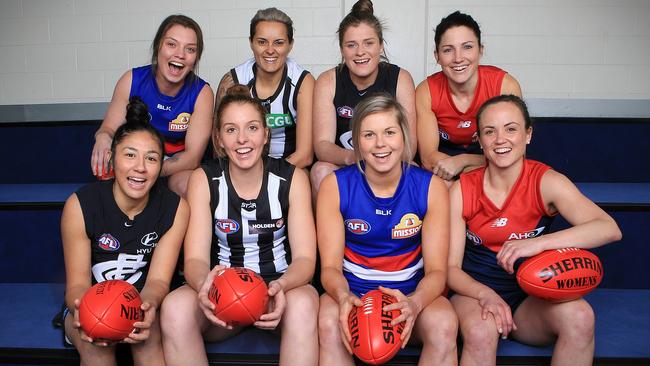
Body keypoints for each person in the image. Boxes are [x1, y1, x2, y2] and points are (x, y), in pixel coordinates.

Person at [447, 95, 622, 365]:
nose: (500, 139)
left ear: (528, 134)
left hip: (529, 299)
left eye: (511, 128)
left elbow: (608, 228)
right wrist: (486, 295)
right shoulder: (462, 189)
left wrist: (538, 244)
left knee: (580, 317)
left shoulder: (546, 182)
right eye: (489, 132)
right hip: (474, 295)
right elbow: (450, 270)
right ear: (480, 141)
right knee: (482, 331)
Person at [160, 85, 318, 366]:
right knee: (174, 309)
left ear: (266, 134)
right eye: (231, 130)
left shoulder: (292, 179)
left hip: (277, 289)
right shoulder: (204, 179)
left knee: (304, 306)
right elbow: (195, 258)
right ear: (219, 139)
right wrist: (204, 285)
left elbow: (306, 259)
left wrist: (280, 286)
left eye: (252, 128)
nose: (242, 139)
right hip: (222, 292)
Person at [317, 94, 458, 365]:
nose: (380, 144)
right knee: (327, 321)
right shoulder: (335, 186)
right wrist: (344, 296)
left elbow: (438, 272)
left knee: (444, 323)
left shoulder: (431, 188)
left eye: (389, 132)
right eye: (369, 134)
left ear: (404, 137)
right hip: (354, 289)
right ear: (356, 141)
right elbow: (330, 269)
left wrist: (415, 303)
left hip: (411, 290)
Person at [62, 97, 189, 366]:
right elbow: (77, 283)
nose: (140, 167)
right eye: (130, 155)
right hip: (89, 302)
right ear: (112, 158)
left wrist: (144, 309)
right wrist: (86, 313)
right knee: (98, 349)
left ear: (160, 165)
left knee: (148, 338)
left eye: (151, 158)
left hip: (140, 301)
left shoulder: (174, 208)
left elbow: (158, 282)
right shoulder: (81, 204)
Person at [92, 14, 214, 197]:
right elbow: (108, 128)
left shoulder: (202, 93)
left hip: (175, 166)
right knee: (105, 167)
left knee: (189, 185)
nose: (180, 54)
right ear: (158, 46)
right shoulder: (131, 80)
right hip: (138, 158)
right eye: (171, 44)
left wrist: (152, 170)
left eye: (190, 49)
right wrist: (102, 137)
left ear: (196, 58)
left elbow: (192, 157)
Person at [311, 0, 417, 201]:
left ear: (381, 46)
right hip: (348, 162)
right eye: (351, 45)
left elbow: (410, 145)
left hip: (390, 160)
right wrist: (352, 157)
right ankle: (328, 231)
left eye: (369, 43)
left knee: (415, 171)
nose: (360, 52)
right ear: (342, 49)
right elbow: (322, 145)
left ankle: (402, 228)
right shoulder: (328, 81)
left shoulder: (400, 78)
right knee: (320, 171)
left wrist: (378, 161)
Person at [416, 11, 522, 181]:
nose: (458, 58)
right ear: (437, 56)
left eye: (467, 47)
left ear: (480, 50)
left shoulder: (505, 86)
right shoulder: (426, 91)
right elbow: (429, 160)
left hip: (484, 156)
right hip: (446, 162)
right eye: (448, 50)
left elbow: (514, 156)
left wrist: (463, 161)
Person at [215, 8, 314, 169]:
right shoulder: (233, 80)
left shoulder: (303, 82)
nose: (270, 50)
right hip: (241, 165)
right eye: (262, 42)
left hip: (289, 165)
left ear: (290, 45)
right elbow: (218, 145)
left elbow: (305, 155)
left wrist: (265, 176)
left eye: (279, 42)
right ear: (251, 43)